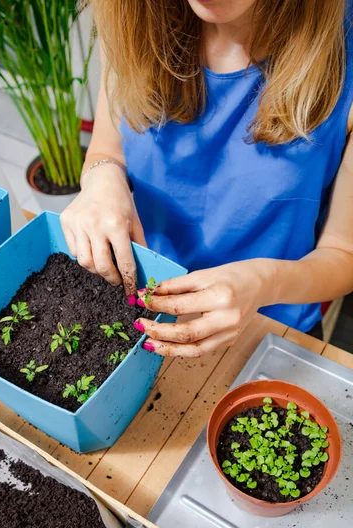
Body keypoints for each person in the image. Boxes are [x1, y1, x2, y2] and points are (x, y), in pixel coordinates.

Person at [61, 0, 353, 358]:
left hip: (272, 332)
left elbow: (343, 252)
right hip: (147, 306)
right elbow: (108, 152)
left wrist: (263, 283)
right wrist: (101, 178)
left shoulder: (344, 52)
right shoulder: (132, 15)